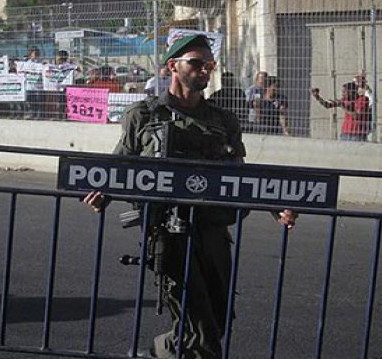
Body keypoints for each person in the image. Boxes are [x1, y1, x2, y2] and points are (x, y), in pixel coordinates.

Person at [82, 34, 297, 359]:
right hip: (170, 235)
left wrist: (275, 205)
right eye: (196, 63)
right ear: (173, 66)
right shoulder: (144, 115)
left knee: (216, 322)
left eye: (209, 64)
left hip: (214, 235)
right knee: (201, 335)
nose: (205, 69)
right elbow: (120, 164)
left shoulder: (224, 120)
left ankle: (157, 353)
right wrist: (103, 192)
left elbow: (240, 175)